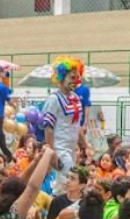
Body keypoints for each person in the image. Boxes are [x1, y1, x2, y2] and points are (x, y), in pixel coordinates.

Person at [42, 57, 87, 195]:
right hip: (59, 147)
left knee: (63, 183)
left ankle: (55, 206)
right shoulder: (54, 99)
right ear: (61, 77)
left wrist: (85, 144)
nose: (75, 81)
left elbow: (77, 125)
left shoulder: (76, 98)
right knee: (70, 178)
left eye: (77, 77)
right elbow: (48, 128)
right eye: (72, 77)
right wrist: (52, 152)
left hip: (72, 147)